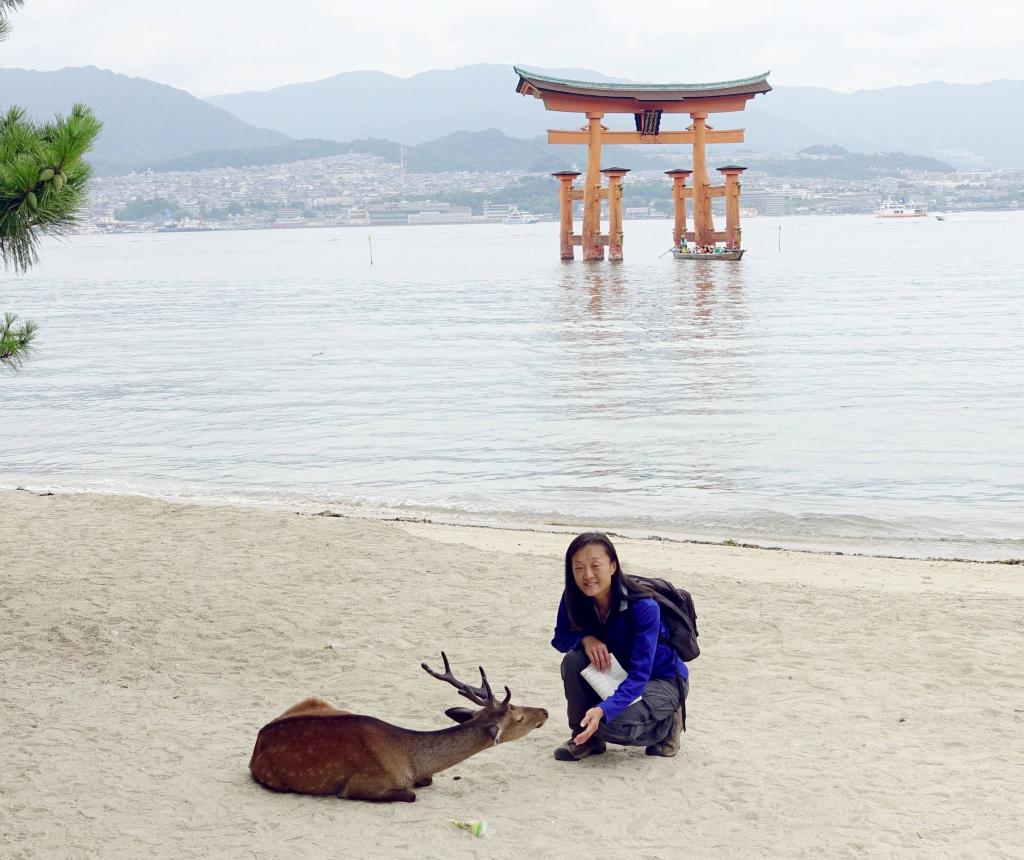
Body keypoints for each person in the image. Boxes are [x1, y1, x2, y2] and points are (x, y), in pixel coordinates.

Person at [551, 532, 689, 761]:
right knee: (573, 660)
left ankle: (669, 723)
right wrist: (585, 639)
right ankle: (585, 737)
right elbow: (560, 638)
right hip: (617, 672)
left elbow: (639, 676)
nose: (587, 576)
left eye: (596, 566)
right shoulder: (573, 597)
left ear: (613, 566)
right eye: (578, 568)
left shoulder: (644, 606)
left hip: (661, 680)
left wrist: (603, 710)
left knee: (610, 723)